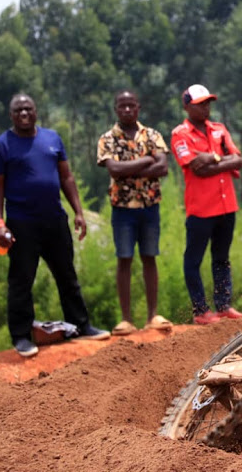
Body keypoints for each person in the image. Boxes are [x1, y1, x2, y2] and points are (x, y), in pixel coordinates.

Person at [0, 94, 110, 357]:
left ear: (36, 111)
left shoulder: (52, 139)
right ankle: (21, 337)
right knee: (21, 281)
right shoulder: (1, 146)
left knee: (67, 275)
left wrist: (78, 212)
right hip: (21, 224)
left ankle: (81, 324)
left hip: (55, 219)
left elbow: (66, 177)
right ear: (11, 115)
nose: (23, 113)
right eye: (18, 110)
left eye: (28, 109)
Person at [97, 90, 172, 335]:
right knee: (125, 259)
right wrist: (146, 161)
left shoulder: (152, 134)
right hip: (123, 209)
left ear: (138, 107)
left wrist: (129, 171)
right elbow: (114, 169)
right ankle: (126, 319)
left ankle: (153, 316)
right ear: (116, 109)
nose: (127, 110)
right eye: (122, 106)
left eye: (131, 105)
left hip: (150, 206)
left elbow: (163, 167)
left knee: (150, 257)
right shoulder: (107, 138)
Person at [170, 84, 242, 325]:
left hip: (227, 205)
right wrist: (224, 160)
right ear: (187, 106)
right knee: (193, 258)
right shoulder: (180, 134)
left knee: (221, 257)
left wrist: (212, 159)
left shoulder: (219, 129)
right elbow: (195, 168)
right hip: (201, 208)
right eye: (200, 104)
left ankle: (223, 305)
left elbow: (239, 160)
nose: (206, 108)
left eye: (208, 103)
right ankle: (201, 310)